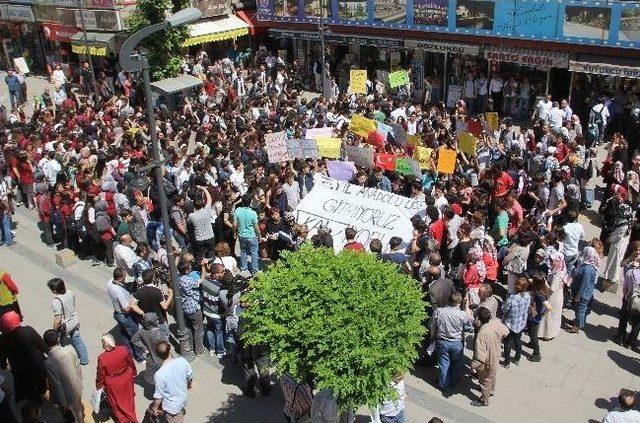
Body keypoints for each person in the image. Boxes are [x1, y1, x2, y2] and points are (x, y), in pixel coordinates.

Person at [0, 311, 47, 414]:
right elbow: (42, 345)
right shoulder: (28, 331)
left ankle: (34, 404)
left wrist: (4, 365)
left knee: (28, 386)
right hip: (36, 364)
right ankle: (41, 393)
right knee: (40, 381)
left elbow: (2, 357)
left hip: (19, 369)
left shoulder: (3, 339)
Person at [430, 292, 473, 392]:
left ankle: (444, 384)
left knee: (444, 364)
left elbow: (432, 325)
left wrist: (432, 336)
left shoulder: (438, 311)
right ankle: (454, 380)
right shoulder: (462, 315)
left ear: (449, 301)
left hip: (441, 341)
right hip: (457, 343)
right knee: (456, 363)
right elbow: (469, 329)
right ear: (459, 302)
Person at [470, 307, 509, 406]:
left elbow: (480, 356)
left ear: (479, 319)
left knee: (485, 380)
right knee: (492, 375)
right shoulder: (495, 322)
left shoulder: (482, 334)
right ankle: (491, 391)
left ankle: (484, 400)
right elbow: (506, 332)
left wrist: (473, 366)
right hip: (496, 354)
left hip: (487, 361)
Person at [42, 329, 84, 422]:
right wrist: (80, 382)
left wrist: (62, 403)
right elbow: (78, 368)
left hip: (66, 395)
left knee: (72, 416)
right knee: (79, 411)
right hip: (77, 386)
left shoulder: (48, 362)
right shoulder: (70, 349)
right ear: (57, 340)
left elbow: (56, 384)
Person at [96, 334, 138, 423]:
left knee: (116, 403)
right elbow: (130, 362)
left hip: (113, 383)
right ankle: (132, 416)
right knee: (129, 399)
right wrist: (133, 372)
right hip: (127, 378)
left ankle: (124, 420)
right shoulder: (123, 349)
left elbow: (101, 374)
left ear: (104, 344)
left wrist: (99, 385)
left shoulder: (102, 358)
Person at [47, 278, 89, 366]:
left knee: (61, 343)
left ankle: (66, 362)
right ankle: (84, 359)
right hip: (75, 320)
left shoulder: (56, 301)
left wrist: (54, 331)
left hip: (65, 325)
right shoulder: (70, 292)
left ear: (54, 290)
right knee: (77, 339)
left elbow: (57, 318)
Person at [107, 267, 146, 362]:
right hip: (125, 316)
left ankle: (129, 353)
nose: (125, 278)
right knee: (135, 336)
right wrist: (134, 300)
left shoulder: (110, 282)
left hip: (117, 313)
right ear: (120, 278)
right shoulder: (118, 291)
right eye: (124, 276)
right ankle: (139, 357)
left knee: (125, 335)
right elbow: (127, 309)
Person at [151, 341, 194, 423]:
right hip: (183, 398)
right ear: (170, 349)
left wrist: (155, 408)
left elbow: (159, 396)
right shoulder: (182, 361)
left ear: (158, 355)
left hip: (172, 407)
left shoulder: (159, 374)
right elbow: (190, 375)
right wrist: (189, 384)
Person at [567, 246, 600, 334]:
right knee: (579, 309)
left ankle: (577, 326)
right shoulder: (586, 265)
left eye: (584, 253)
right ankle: (578, 322)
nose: (582, 254)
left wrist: (578, 295)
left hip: (582, 294)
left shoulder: (588, 269)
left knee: (580, 309)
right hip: (579, 292)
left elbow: (584, 283)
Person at [131, 312, 169, 386]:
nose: (157, 320)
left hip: (150, 359)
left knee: (154, 378)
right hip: (161, 359)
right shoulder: (159, 333)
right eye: (156, 319)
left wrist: (144, 348)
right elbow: (166, 345)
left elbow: (134, 339)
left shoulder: (142, 330)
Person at [501, 277, 531, 368]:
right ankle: (517, 359)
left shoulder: (512, 298)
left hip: (511, 324)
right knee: (518, 341)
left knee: (507, 342)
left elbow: (504, 309)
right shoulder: (528, 296)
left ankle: (507, 362)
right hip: (521, 323)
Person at [539, 252, 566, 340]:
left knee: (549, 316)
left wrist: (543, 281)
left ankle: (548, 335)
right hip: (555, 296)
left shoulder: (558, 275)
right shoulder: (558, 270)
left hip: (554, 297)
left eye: (553, 260)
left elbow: (551, 289)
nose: (551, 262)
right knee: (550, 315)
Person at [526, 273, 552, 362]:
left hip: (534, 318)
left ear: (536, 283)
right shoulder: (543, 288)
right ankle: (532, 343)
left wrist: (541, 314)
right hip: (533, 317)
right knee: (531, 332)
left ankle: (537, 354)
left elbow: (549, 307)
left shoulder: (539, 294)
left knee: (533, 335)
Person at [234, 195, 260, 275]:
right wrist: (259, 235)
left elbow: (235, 224)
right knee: (254, 252)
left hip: (242, 235)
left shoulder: (237, 211)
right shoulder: (253, 213)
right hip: (252, 235)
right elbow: (256, 226)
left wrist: (235, 233)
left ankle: (243, 268)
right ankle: (254, 269)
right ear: (250, 202)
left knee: (243, 251)